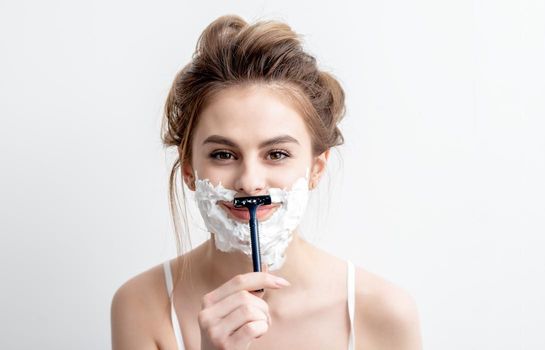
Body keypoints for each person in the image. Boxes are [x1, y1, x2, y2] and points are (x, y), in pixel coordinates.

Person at [111, 14, 422, 350]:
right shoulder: (142, 305)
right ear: (189, 169)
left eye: (276, 154)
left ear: (316, 168)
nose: (249, 182)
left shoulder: (383, 313)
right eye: (223, 155)